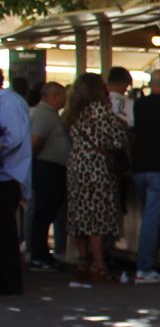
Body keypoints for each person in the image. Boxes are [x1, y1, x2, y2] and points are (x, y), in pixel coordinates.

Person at [63, 72, 128, 283]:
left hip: (76, 164)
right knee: (97, 214)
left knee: (79, 213)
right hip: (97, 165)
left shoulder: (72, 112)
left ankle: (83, 260)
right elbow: (118, 139)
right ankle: (98, 263)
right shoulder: (100, 110)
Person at [131, 68, 160, 284]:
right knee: (153, 217)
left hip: (139, 168)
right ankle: (144, 267)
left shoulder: (139, 105)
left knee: (151, 216)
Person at [27, 80, 69, 269]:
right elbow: (36, 141)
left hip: (51, 167)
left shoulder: (50, 114)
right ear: (54, 97)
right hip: (47, 168)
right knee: (43, 212)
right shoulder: (44, 114)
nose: (65, 100)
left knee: (47, 212)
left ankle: (41, 253)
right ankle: (38, 255)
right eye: (62, 96)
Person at [0, 67, 30, 294]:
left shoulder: (8, 103)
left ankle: (9, 282)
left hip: (6, 176)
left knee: (5, 231)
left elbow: (13, 139)